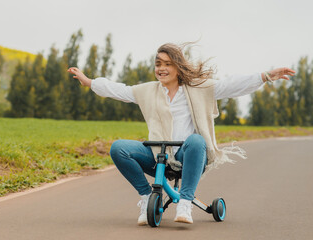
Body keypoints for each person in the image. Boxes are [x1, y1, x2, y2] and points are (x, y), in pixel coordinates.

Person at [68, 43, 295, 226]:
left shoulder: (199, 88)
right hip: (158, 157)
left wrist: (265, 76)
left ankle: (185, 201)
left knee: (197, 140)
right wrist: (90, 82)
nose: (161, 68)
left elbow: (231, 85)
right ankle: (147, 196)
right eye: (158, 64)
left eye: (167, 63)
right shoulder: (148, 90)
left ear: (178, 67)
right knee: (119, 148)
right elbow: (120, 90)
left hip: (190, 156)